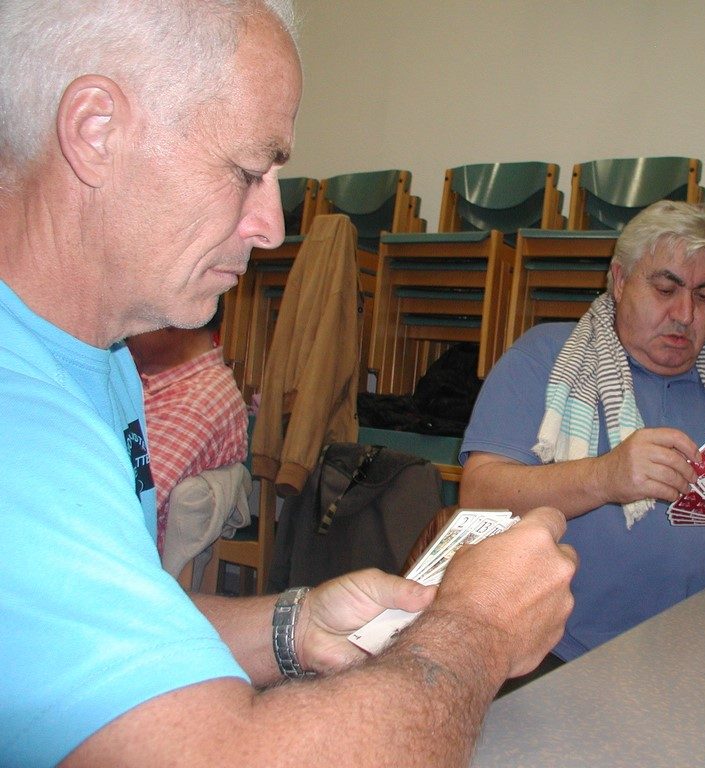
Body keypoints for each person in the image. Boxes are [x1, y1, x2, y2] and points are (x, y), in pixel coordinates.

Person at [0, 2, 576, 766]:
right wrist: (479, 631)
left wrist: (291, 626)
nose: (272, 225)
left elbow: (102, 642)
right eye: (248, 171)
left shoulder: (98, 360)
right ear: (96, 131)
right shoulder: (21, 427)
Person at [459, 200, 705, 664]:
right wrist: (604, 477)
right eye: (666, 288)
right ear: (620, 280)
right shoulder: (546, 356)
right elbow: (477, 494)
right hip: (557, 653)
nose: (686, 313)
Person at [126, 300, 248, 555]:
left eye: (135, 316)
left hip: (122, 564)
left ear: (178, 319)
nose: (125, 329)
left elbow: (131, 506)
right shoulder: (164, 385)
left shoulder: (200, 399)